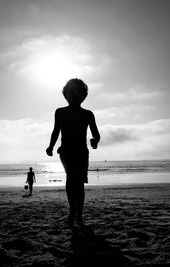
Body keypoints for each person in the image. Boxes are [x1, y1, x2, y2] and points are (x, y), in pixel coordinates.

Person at [46, 78, 100, 226]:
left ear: (84, 96)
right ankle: (72, 210)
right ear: (66, 95)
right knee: (71, 180)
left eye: (78, 92)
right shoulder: (60, 112)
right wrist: (50, 146)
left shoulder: (87, 114)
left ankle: (79, 214)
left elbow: (96, 133)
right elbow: (56, 131)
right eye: (71, 92)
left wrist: (95, 140)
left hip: (81, 152)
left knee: (79, 183)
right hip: (66, 152)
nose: (75, 95)